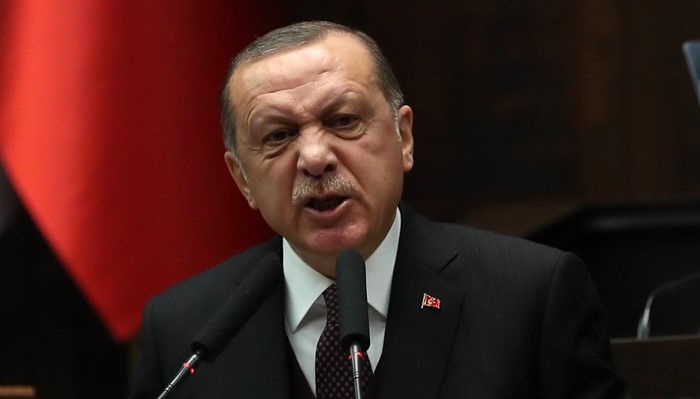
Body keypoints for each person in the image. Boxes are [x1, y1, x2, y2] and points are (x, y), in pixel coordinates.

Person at [130, 21, 627, 399]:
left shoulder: (530, 296)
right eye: (278, 136)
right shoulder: (183, 331)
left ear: (404, 138)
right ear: (243, 179)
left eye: (343, 120)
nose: (315, 158)